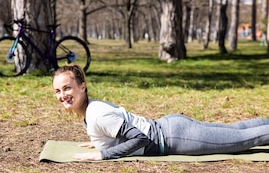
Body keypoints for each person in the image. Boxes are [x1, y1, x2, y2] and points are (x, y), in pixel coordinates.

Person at [52, 64, 269, 161]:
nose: (63, 95)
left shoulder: (96, 114)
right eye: (58, 91)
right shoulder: (91, 110)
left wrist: (103, 154)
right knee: (235, 130)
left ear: (82, 86)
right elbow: (118, 127)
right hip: (171, 127)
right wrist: (101, 141)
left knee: (244, 139)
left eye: (67, 88)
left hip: (173, 137)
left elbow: (140, 138)